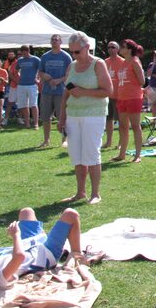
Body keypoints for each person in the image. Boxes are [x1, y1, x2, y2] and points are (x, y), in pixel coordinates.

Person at [0, 208, 84, 294]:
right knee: (71, 214)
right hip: (46, 252)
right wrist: (16, 235)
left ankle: (44, 234)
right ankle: (77, 255)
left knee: (26, 212)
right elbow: (19, 256)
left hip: (30, 242)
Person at [60, 31, 112, 204]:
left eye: (77, 51)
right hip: (73, 115)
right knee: (76, 155)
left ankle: (95, 193)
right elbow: (66, 93)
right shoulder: (72, 66)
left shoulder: (98, 64)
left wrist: (82, 92)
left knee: (91, 153)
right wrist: (61, 117)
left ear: (87, 47)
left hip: (94, 115)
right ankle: (80, 192)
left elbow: (108, 91)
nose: (74, 55)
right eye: (71, 52)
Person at [110, 39, 146, 163]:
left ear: (130, 49)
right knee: (123, 127)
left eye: (123, 46)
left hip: (134, 97)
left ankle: (138, 155)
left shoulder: (135, 61)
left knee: (135, 126)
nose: (121, 48)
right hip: (122, 98)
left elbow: (142, 81)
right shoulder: (124, 62)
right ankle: (122, 154)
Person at [38, 34, 73, 148]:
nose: (54, 41)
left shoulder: (66, 56)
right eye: (52, 40)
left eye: (56, 40)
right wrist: (45, 75)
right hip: (46, 91)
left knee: (62, 117)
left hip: (61, 91)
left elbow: (70, 74)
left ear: (60, 42)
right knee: (45, 117)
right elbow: (40, 72)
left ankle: (64, 140)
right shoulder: (45, 56)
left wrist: (59, 80)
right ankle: (46, 140)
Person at [102, 41, 124, 149]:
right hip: (107, 95)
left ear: (118, 49)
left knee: (120, 121)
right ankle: (108, 141)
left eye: (113, 47)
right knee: (108, 119)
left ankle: (121, 143)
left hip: (119, 96)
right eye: (109, 47)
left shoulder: (122, 62)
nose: (111, 49)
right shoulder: (105, 62)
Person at [14, 45, 41, 129]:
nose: (23, 54)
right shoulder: (20, 60)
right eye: (22, 52)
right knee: (24, 105)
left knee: (33, 104)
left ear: (28, 51)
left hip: (32, 85)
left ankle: (36, 123)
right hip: (22, 85)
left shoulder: (36, 59)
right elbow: (16, 70)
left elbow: (41, 69)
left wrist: (38, 79)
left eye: (25, 52)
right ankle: (27, 123)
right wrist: (18, 78)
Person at [3, 51, 18, 125]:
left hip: (22, 85)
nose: (11, 56)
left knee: (22, 103)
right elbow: (9, 73)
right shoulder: (8, 63)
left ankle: (20, 118)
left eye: (12, 55)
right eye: (10, 55)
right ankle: (6, 119)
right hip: (11, 85)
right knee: (10, 102)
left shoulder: (19, 62)